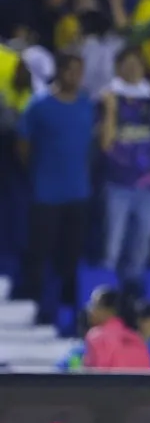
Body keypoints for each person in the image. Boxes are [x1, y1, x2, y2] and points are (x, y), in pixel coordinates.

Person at [17, 52, 94, 323]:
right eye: (71, 70)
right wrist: (39, 173)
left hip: (78, 192)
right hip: (46, 192)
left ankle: (68, 310)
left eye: (79, 71)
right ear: (60, 71)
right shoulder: (39, 105)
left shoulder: (87, 104)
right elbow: (23, 146)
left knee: (71, 255)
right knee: (41, 254)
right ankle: (40, 307)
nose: (76, 76)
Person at [98, 46, 150, 284]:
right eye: (127, 63)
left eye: (137, 63)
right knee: (111, 248)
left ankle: (133, 297)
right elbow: (105, 144)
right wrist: (111, 111)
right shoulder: (108, 98)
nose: (133, 68)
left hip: (149, 187)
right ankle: (106, 296)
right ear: (117, 67)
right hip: (117, 184)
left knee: (142, 246)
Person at [82, 286, 150, 371]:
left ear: (110, 310)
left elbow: (93, 379)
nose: (90, 309)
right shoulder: (137, 338)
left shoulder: (95, 336)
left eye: (94, 305)